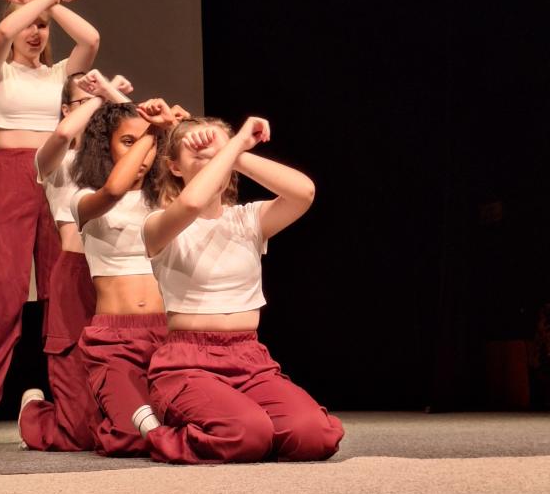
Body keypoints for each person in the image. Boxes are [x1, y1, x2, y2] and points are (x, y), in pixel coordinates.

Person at [0, 0, 99, 449]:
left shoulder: (60, 76)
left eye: (43, 26)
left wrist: (51, 1)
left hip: (57, 177)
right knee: (0, 295)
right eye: (29, 24)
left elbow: (91, 39)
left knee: (66, 292)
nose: (35, 32)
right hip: (9, 178)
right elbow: (0, 35)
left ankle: (72, 406)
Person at [135, 115, 344, 464]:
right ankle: (156, 431)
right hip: (187, 363)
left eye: (217, 155)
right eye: (198, 155)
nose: (212, 161)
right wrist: (230, 145)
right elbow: (191, 203)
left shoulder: (248, 219)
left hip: (248, 357)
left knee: (313, 435)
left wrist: (236, 152)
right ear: (174, 166)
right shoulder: (158, 223)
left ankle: (241, 426)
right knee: (247, 434)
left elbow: (304, 192)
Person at [18, 69, 133, 451]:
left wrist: (111, 93)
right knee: (78, 435)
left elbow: (150, 135)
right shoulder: (58, 162)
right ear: (67, 109)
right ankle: (35, 411)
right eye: (83, 101)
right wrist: (101, 98)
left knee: (130, 422)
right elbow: (64, 134)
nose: (95, 108)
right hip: (75, 273)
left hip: (120, 276)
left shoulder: (123, 161)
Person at [68, 98, 185, 455]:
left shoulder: (166, 198)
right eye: (128, 141)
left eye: (148, 144)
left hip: (169, 335)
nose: (143, 155)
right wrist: (153, 133)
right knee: (131, 436)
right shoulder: (84, 198)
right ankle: (35, 415)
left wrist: (175, 129)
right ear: (106, 146)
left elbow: (203, 180)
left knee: (185, 420)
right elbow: (114, 190)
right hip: (115, 340)